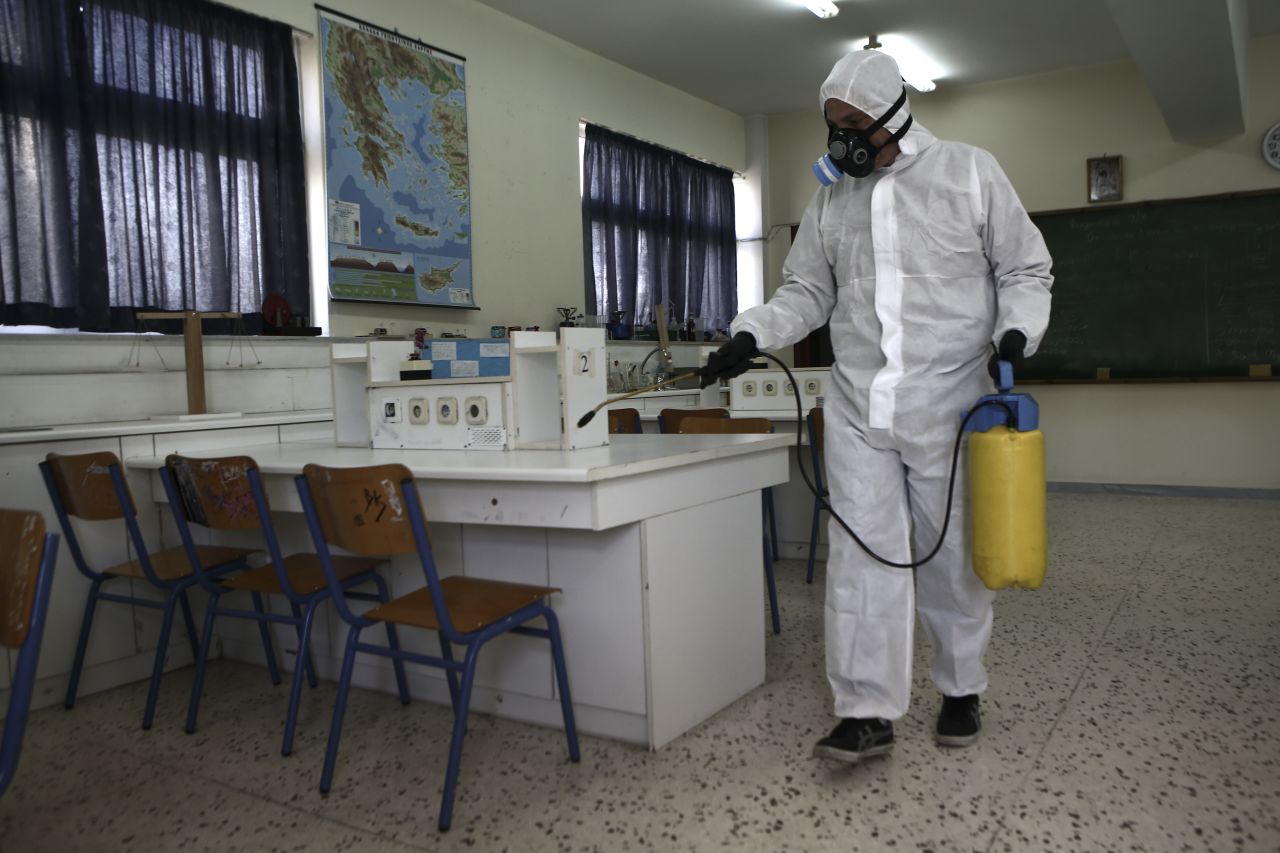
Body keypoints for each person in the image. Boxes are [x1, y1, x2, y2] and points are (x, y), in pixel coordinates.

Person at [702, 50, 1053, 762]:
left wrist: (1016, 327)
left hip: (951, 403)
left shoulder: (968, 172)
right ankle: (866, 710)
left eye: (855, 123)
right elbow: (806, 292)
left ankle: (961, 687)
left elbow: (1024, 266)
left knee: (950, 555)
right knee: (862, 559)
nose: (843, 139)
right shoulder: (832, 199)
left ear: (895, 112)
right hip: (860, 407)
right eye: (834, 125)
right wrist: (750, 331)